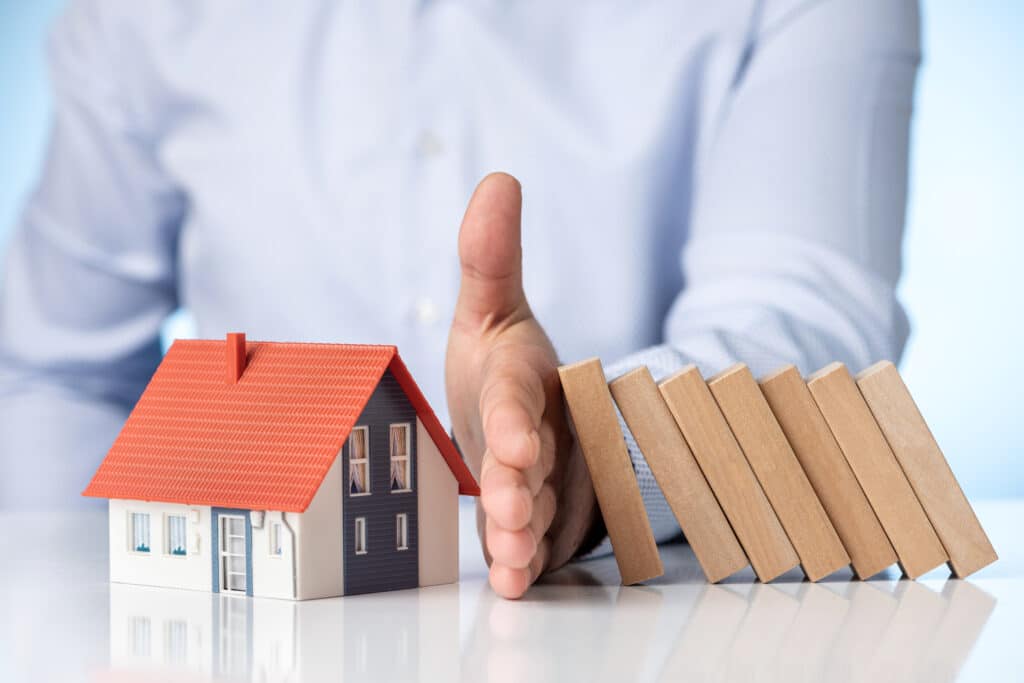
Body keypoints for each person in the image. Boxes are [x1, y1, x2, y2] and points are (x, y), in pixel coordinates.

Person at [0, 0, 919, 599]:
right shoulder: (134, 19)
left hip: (634, 631)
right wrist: (78, 609)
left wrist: (593, 454)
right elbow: (52, 377)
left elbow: (804, 326)